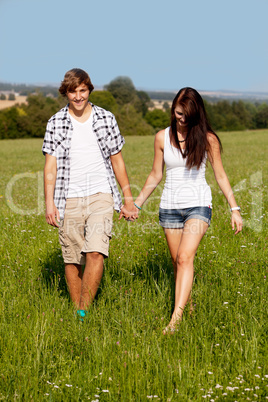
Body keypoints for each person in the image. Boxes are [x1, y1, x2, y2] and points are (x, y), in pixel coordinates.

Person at [134, 87, 243, 333]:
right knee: (177, 262)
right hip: (169, 208)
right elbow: (155, 174)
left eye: (186, 115)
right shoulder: (161, 137)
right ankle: (188, 307)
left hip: (198, 205)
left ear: (196, 114)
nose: (181, 119)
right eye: (178, 113)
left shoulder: (207, 138)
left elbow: (221, 176)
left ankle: (175, 321)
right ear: (173, 109)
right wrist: (136, 203)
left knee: (185, 257)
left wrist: (234, 208)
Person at [42, 68, 138, 320]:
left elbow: (117, 161)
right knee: (73, 259)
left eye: (82, 90)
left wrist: (127, 199)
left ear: (89, 90)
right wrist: (49, 203)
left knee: (95, 252)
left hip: (101, 194)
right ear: (66, 92)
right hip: (68, 197)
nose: (78, 96)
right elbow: (50, 166)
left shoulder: (106, 118)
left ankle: (83, 311)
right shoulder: (55, 122)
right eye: (73, 91)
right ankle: (78, 314)